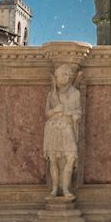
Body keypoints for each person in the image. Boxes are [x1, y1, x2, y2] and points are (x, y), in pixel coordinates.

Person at [44, 64, 83, 199]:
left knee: (71, 157)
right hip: (53, 128)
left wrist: (71, 113)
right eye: (63, 74)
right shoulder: (52, 94)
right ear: (56, 77)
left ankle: (66, 188)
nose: (66, 77)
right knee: (53, 159)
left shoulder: (75, 93)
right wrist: (55, 110)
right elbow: (47, 113)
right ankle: (55, 188)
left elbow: (78, 110)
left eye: (67, 74)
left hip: (67, 128)